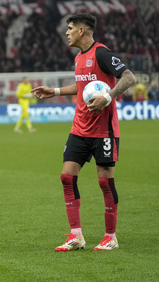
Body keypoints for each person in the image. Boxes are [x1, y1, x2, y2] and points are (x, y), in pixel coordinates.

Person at [31, 13, 136, 251]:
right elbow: (81, 86)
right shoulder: (79, 57)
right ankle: (76, 236)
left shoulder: (102, 53)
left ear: (81, 31)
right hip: (79, 128)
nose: (66, 32)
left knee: (105, 182)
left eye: (69, 28)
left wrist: (107, 96)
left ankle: (111, 236)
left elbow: (129, 78)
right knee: (67, 177)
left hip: (104, 130)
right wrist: (55, 91)